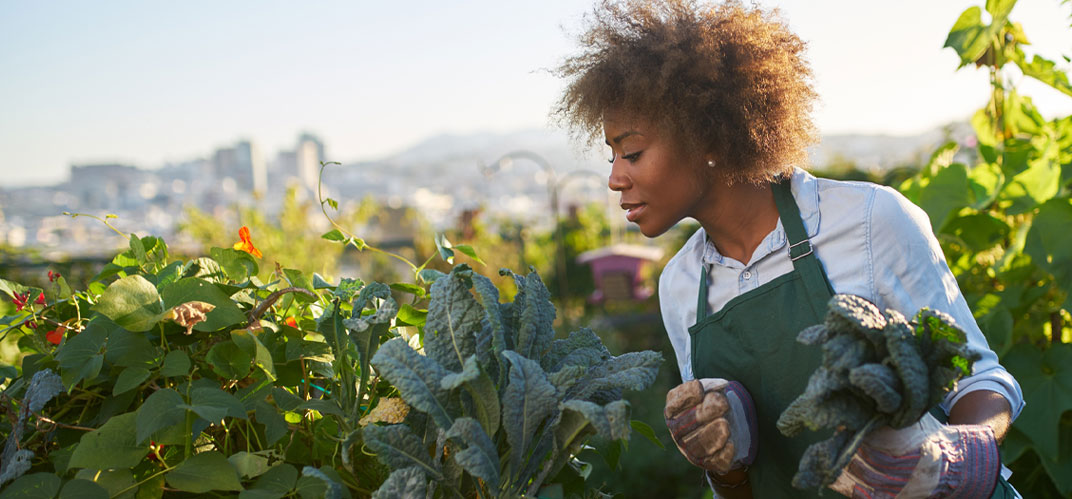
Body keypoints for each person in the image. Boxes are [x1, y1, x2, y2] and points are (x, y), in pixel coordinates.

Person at [554, 1, 1024, 497]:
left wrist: (957, 455)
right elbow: (738, 488)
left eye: (632, 153)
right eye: (611, 156)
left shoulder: (869, 221)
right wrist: (725, 463)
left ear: (706, 135)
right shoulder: (681, 286)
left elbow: (979, 379)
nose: (614, 178)